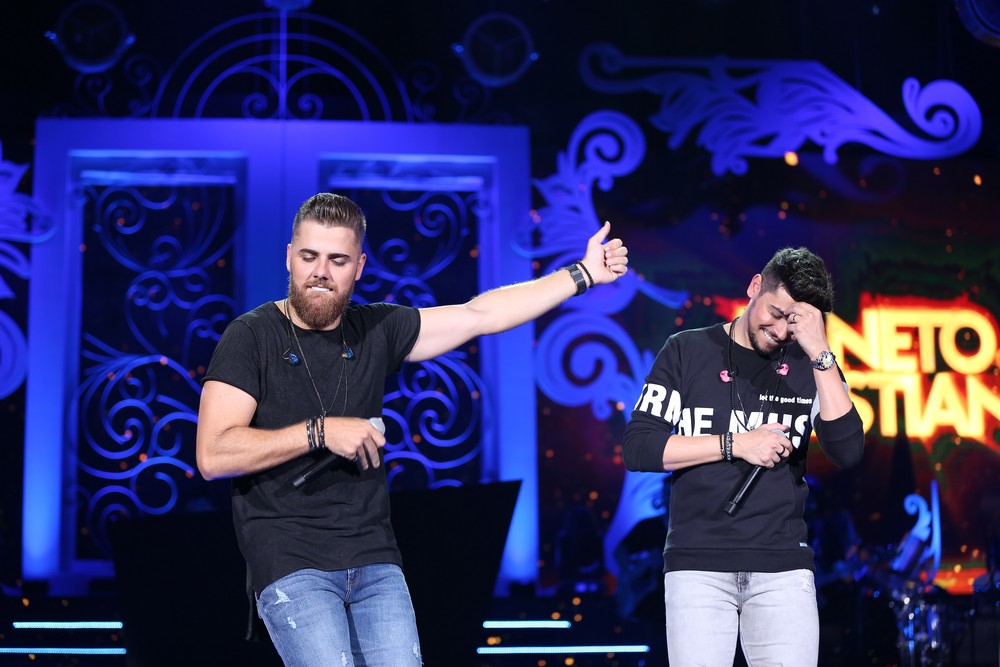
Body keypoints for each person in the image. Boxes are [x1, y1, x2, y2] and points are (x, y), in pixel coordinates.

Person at [195, 192, 629, 667]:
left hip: (374, 559)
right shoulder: (250, 336)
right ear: (289, 257)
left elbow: (480, 315)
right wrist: (318, 432)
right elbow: (214, 453)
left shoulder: (377, 328)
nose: (320, 272)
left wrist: (582, 274)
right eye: (309, 256)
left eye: (337, 260)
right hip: (290, 558)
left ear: (359, 266)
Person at [622, 247, 864, 666]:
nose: (780, 331)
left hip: (783, 567)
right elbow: (639, 447)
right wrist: (735, 443)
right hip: (697, 565)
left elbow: (847, 450)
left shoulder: (811, 365)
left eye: (795, 323)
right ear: (755, 287)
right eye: (776, 313)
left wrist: (821, 353)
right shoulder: (686, 350)